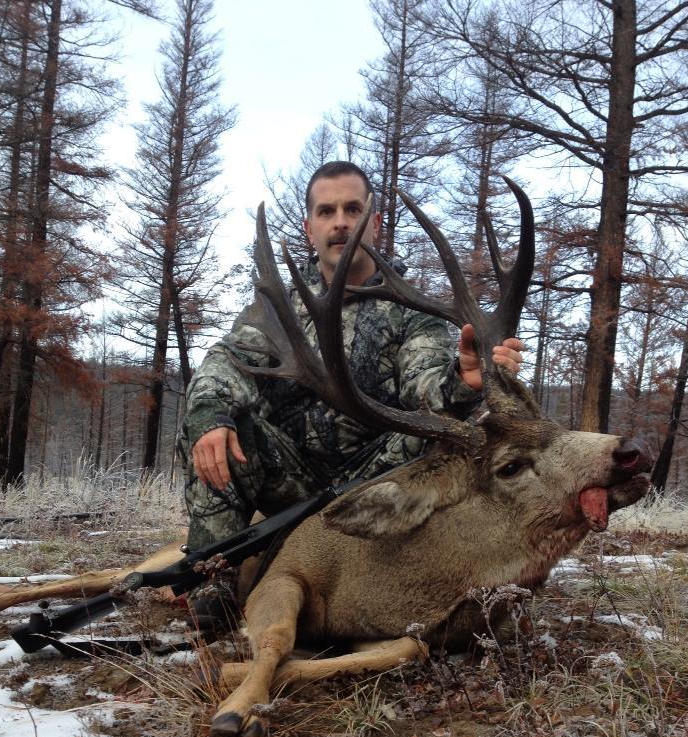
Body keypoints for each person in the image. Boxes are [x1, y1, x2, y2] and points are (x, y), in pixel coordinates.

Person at [179, 161, 523, 621]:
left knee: (443, 434)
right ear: (309, 227)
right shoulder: (275, 311)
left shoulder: (412, 314)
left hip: (374, 482)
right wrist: (211, 418)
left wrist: (463, 381)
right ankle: (214, 579)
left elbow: (426, 388)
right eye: (326, 211)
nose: (340, 222)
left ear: (374, 223)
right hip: (292, 479)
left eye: (353, 209)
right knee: (218, 423)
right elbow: (224, 364)